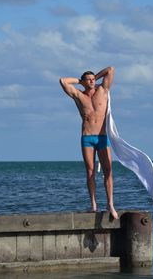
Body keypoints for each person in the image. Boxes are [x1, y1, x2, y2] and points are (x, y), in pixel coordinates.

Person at [59, 66, 118, 219]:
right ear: (84, 82)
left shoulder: (103, 90)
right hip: (87, 138)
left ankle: (110, 204)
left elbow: (110, 69)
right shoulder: (79, 95)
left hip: (102, 137)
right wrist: (80, 81)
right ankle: (93, 205)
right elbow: (63, 81)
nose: (92, 81)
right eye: (89, 79)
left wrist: (95, 77)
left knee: (108, 171)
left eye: (93, 79)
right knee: (90, 172)